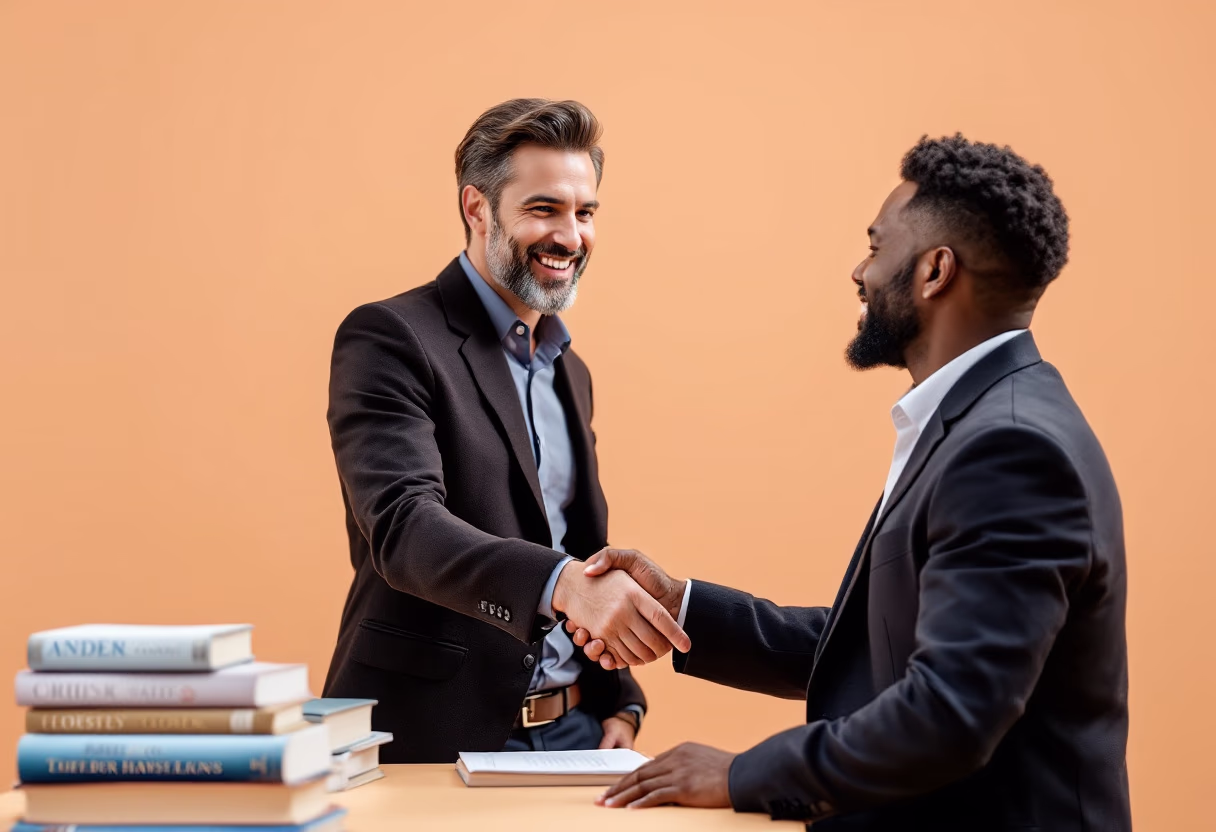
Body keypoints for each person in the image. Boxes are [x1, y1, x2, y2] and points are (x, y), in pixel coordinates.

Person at [574, 135, 1130, 830]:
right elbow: (881, 648)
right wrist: (684, 608)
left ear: (934, 271)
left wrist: (742, 774)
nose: (859, 271)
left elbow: (949, 715)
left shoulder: (1009, 450)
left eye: (875, 246)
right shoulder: (983, 420)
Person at [322, 98, 688, 762]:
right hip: (434, 736)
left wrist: (619, 702)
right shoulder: (390, 337)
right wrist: (561, 582)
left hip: (575, 734)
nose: (571, 237)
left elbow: (575, 541)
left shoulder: (568, 369)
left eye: (585, 213)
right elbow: (403, 527)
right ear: (476, 208)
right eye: (544, 209)